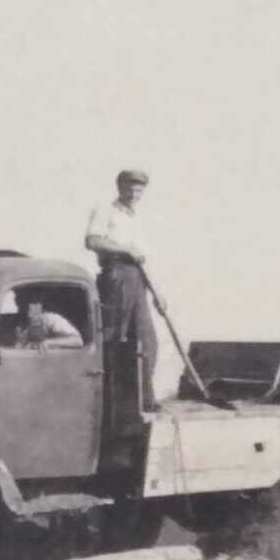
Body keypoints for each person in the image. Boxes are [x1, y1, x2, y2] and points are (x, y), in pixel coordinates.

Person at [85, 169, 163, 411]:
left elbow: (144, 260)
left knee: (147, 340)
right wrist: (124, 250)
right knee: (112, 338)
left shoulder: (137, 219)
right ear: (119, 187)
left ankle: (144, 399)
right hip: (116, 274)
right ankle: (107, 401)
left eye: (139, 189)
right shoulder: (106, 210)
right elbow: (92, 240)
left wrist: (157, 292)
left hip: (138, 278)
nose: (134, 192)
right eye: (130, 187)